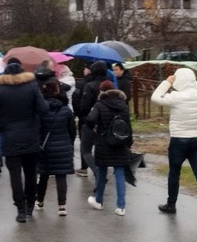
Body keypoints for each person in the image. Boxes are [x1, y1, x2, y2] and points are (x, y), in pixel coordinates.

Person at [0, 58, 49, 223]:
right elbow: (43, 109)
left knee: (14, 174)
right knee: (30, 172)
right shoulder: (32, 86)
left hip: (9, 136)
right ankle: (29, 205)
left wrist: (0, 128)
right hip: (30, 136)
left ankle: (20, 209)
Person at [151, 67, 197, 220]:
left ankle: (171, 204)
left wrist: (167, 81)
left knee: (174, 172)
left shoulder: (177, 97)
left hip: (179, 140)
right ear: (192, 80)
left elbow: (155, 97)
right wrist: (192, 81)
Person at [86, 80, 133, 216]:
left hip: (103, 142)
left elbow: (90, 119)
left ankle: (99, 200)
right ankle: (121, 206)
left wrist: (94, 128)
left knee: (101, 171)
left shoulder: (100, 105)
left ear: (102, 92)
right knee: (119, 172)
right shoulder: (123, 105)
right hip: (120, 142)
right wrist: (128, 143)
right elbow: (129, 126)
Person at [36, 79, 76, 216]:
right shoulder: (66, 110)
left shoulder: (41, 109)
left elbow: (38, 129)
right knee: (61, 176)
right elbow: (72, 131)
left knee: (44, 175)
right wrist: (69, 144)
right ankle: (62, 206)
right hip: (63, 145)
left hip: (45, 147)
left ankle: (40, 201)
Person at [75, 61, 108, 180]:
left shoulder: (90, 85)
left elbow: (84, 106)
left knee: (86, 149)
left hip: (89, 121)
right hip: (105, 121)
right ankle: (102, 170)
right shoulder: (108, 84)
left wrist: (82, 117)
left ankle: (92, 170)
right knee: (100, 147)